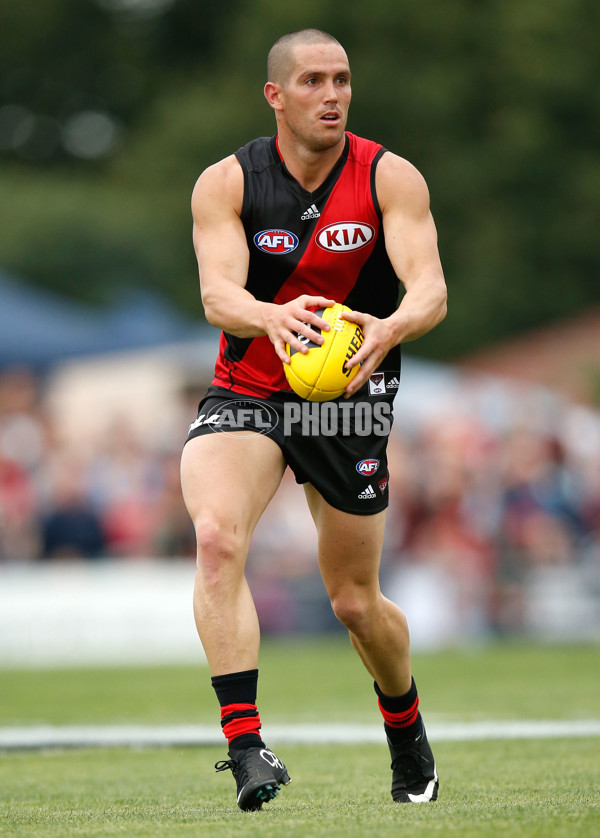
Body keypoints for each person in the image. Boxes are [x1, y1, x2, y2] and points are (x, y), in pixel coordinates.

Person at [181, 28, 447, 811]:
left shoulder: (390, 176)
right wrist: (270, 315)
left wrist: (392, 328)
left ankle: (406, 727)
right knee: (215, 538)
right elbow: (217, 297)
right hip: (249, 394)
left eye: (341, 80)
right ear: (276, 96)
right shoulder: (225, 182)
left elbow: (429, 288)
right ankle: (246, 743)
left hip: (350, 399)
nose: (331, 95)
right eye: (312, 82)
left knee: (355, 601)